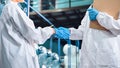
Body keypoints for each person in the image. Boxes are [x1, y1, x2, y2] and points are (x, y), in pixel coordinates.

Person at [55, 1, 120, 68]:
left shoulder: (116, 3)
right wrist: (70, 33)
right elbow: (84, 31)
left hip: (107, 59)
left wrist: (99, 16)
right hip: (89, 60)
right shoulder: (92, 7)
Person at [0, 0, 55, 68]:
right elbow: (33, 35)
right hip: (20, 60)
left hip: (14, 59)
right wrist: (51, 30)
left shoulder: (8, 9)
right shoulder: (12, 8)